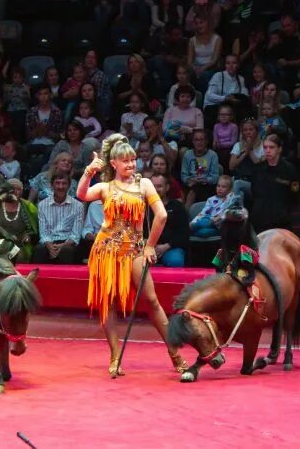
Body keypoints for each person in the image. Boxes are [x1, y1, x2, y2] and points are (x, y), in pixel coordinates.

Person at [77, 134, 188, 376]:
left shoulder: (144, 185)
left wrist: (150, 246)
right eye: (125, 161)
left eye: (133, 160)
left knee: (152, 300)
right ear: (113, 163)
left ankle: (175, 353)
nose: (130, 165)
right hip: (106, 250)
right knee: (108, 303)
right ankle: (115, 355)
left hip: (134, 250)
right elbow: (81, 195)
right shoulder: (106, 187)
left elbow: (162, 216)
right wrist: (88, 172)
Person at [250, 134, 300, 233]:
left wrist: (285, 212)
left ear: (279, 149)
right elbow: (254, 192)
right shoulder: (258, 169)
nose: (268, 150)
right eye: (265, 147)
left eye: (271, 147)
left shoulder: (289, 169)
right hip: (260, 219)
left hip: (281, 220)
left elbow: (295, 194)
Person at [33, 171, 84, 264]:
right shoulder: (42, 205)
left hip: (68, 242)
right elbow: (43, 232)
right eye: (57, 183)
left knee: (67, 251)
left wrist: (62, 246)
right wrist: (50, 246)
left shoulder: (78, 206)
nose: (60, 187)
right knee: (39, 250)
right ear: (52, 186)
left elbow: (75, 235)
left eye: (64, 183)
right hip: (49, 241)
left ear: (69, 186)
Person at [149, 173, 190, 267]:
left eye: (159, 186)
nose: (155, 190)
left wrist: (165, 247)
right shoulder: (143, 207)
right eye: (152, 186)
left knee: (175, 261)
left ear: (167, 188)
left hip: (171, 248)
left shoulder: (177, 206)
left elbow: (184, 233)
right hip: (148, 248)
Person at [181, 129, 220, 209]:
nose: (199, 142)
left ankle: (186, 214)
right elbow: (184, 175)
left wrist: (203, 180)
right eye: (196, 140)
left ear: (206, 141)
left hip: (207, 185)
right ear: (192, 141)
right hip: (191, 184)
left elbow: (215, 177)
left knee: (195, 190)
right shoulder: (188, 154)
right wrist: (190, 181)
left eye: (202, 139)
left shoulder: (213, 155)